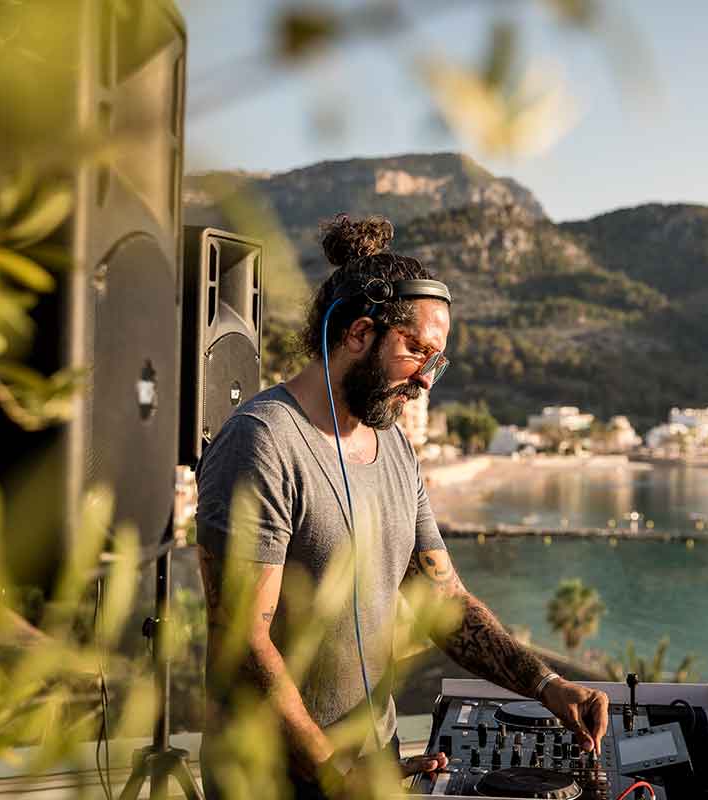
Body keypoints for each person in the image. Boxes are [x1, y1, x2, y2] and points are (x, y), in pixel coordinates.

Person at [194, 214, 608, 799]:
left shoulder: (394, 447)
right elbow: (241, 639)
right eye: (417, 352)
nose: (427, 381)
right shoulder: (261, 441)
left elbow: (444, 600)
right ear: (359, 334)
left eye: (437, 361)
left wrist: (547, 686)